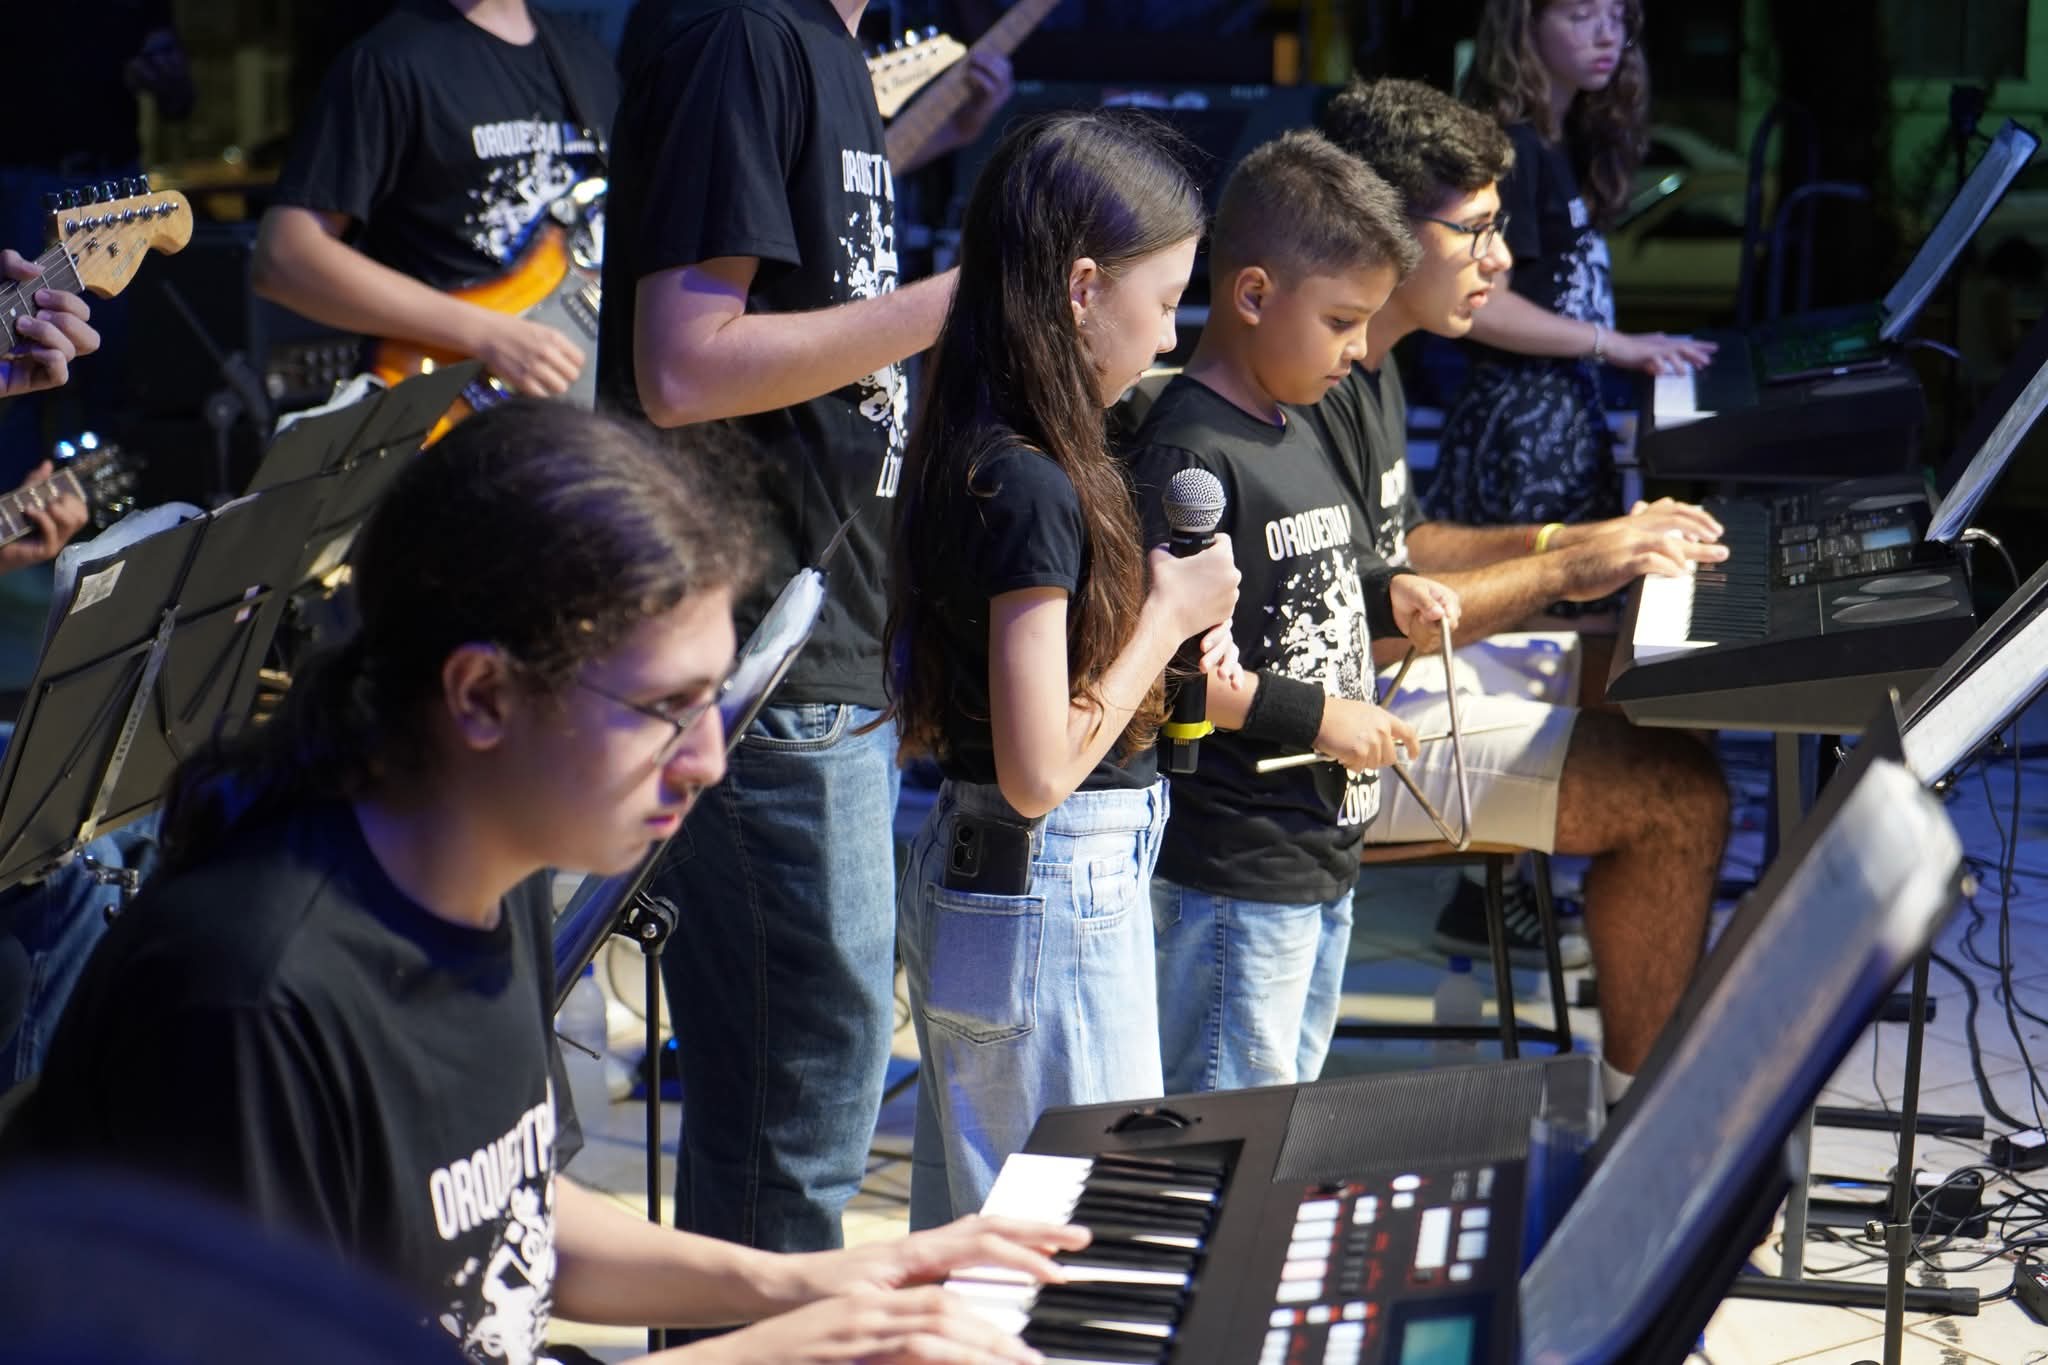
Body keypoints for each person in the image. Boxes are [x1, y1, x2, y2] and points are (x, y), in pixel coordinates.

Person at [8, 400, 1086, 1365]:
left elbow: (503, 1223)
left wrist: (800, 1282)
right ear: (480, 694)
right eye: (668, 708)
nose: (709, 759)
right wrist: (777, 1352)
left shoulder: (491, 869)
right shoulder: (246, 997)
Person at [598, 0, 999, 1256]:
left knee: (801, 1102)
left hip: (821, 636)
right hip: (762, 651)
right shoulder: (741, 30)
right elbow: (683, 366)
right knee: (796, 1117)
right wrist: (964, 298)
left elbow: (796, 279)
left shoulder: (819, 45)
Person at [1318, 76, 1730, 1098]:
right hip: (1327, 739)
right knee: (1675, 797)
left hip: (1378, 687)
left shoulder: (1372, 357)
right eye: (1478, 234)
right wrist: (1566, 567)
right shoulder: (1313, 371)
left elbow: (1397, 545)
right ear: (1381, 231)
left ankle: (1636, 1063)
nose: (1503, 263)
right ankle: (1643, 1125)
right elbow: (1352, 628)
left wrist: (1576, 534)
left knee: (1655, 701)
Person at [888, 111, 1241, 1225]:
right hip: (1046, 871)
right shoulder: (1028, 481)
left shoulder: (986, 445)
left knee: (983, 1247)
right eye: (1165, 300)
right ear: (1082, 287)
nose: (1172, 335)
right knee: (1065, 1243)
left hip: (1004, 872)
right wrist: (1163, 618)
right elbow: (1040, 769)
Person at [1123, 131, 1462, 1096]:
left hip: (1317, 852)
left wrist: (1383, 591)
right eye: (1345, 320)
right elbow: (1175, 675)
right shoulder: (1188, 458)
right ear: (1255, 295)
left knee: (1278, 1112)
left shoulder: (1296, 422)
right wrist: (1319, 719)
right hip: (1234, 865)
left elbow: (1308, 575)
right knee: (1231, 1122)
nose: (1360, 351)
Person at [1430, 0, 1714, 546]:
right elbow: (1482, 304)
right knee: (1549, 597)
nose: (1607, 36)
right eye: (1581, 16)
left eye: (1616, 17)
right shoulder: (1510, 144)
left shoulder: (1564, 137)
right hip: (1520, 420)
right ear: (1525, 26)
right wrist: (1614, 344)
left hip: (1557, 407)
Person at [252, 0, 614, 401]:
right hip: (454, 403)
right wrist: (488, 334)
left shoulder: (586, 58)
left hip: (571, 411)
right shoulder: (388, 61)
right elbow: (285, 256)